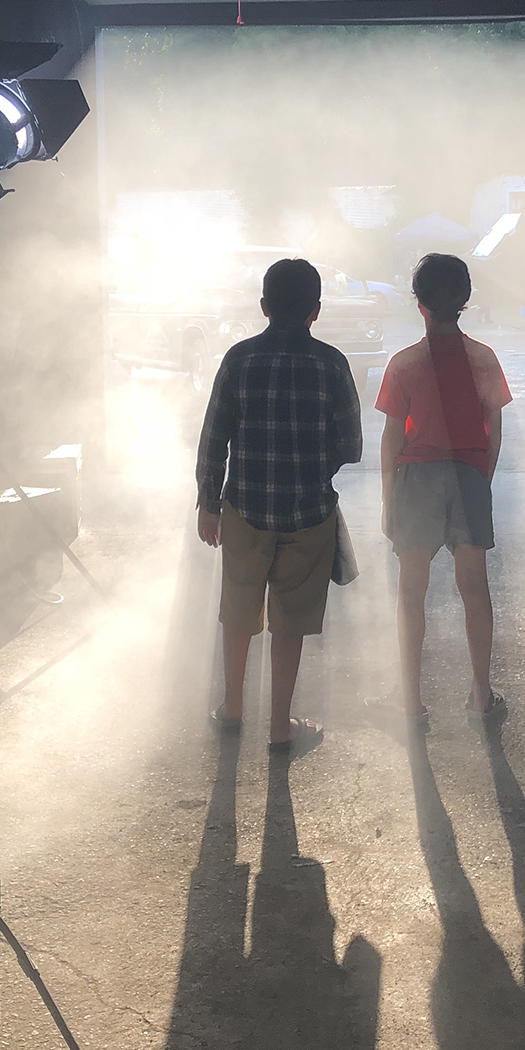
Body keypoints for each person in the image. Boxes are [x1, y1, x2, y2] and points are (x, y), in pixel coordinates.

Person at [196, 257, 362, 752]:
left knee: (239, 609)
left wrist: (208, 501)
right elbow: (349, 444)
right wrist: (311, 470)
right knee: (290, 619)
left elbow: (214, 437)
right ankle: (278, 727)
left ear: (264, 306)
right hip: (310, 514)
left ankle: (232, 710)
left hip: (245, 509)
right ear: (317, 310)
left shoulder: (239, 359)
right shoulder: (332, 363)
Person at [377, 253, 512, 731]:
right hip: (468, 473)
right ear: (465, 300)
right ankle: (480, 692)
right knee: (474, 586)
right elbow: (494, 429)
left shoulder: (405, 363)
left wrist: (389, 497)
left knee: (412, 590)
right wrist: (482, 478)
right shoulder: (483, 359)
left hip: (417, 477)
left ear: (419, 303)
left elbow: (392, 438)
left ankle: (411, 703)